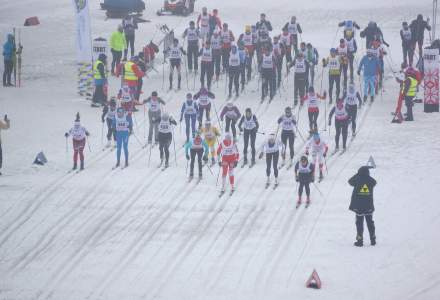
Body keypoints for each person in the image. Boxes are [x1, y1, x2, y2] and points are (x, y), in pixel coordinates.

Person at [348, 166, 377, 247]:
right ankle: (373, 240)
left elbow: (350, 181)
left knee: (359, 223)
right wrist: (367, 176)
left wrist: (357, 174)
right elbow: (375, 182)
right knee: (370, 223)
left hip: (359, 207)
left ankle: (359, 241)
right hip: (368, 206)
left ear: (359, 172)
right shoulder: (370, 180)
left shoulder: (357, 179)